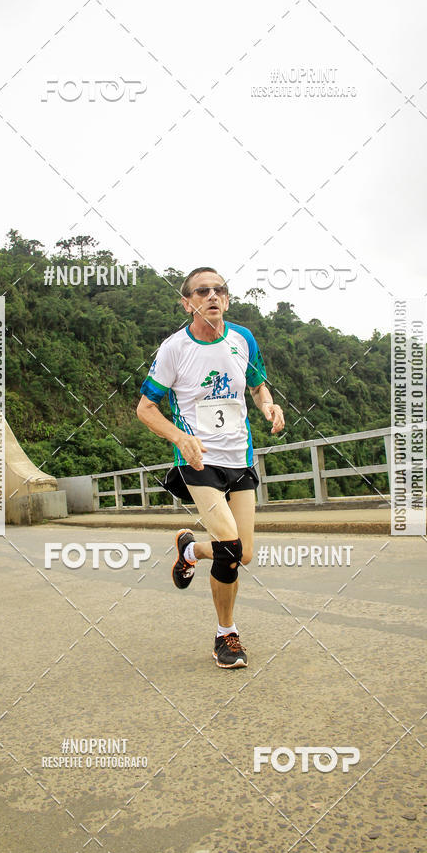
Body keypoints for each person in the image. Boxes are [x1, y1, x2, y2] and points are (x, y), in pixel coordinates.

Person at [137, 268, 284, 668]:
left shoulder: (243, 339)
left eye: (219, 290)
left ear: (228, 299)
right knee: (231, 546)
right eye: (202, 291)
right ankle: (226, 634)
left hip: (241, 458)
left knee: (243, 553)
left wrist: (267, 404)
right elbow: (145, 408)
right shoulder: (174, 349)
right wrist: (180, 439)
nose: (212, 296)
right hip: (198, 461)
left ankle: (189, 549)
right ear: (187, 303)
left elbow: (256, 385)